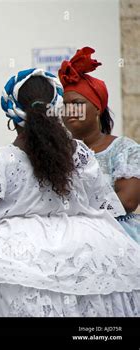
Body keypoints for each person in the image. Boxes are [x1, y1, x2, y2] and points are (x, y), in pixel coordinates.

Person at [0, 69, 140, 317]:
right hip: (86, 249)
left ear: (11, 116)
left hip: (14, 257)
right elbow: (104, 207)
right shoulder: (79, 153)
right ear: (56, 110)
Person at [59, 47, 139, 243]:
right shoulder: (59, 153)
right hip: (69, 238)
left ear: (97, 108)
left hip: (116, 238)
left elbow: (128, 201)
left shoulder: (124, 149)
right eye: (65, 104)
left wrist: (79, 216)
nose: (70, 110)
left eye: (77, 103)